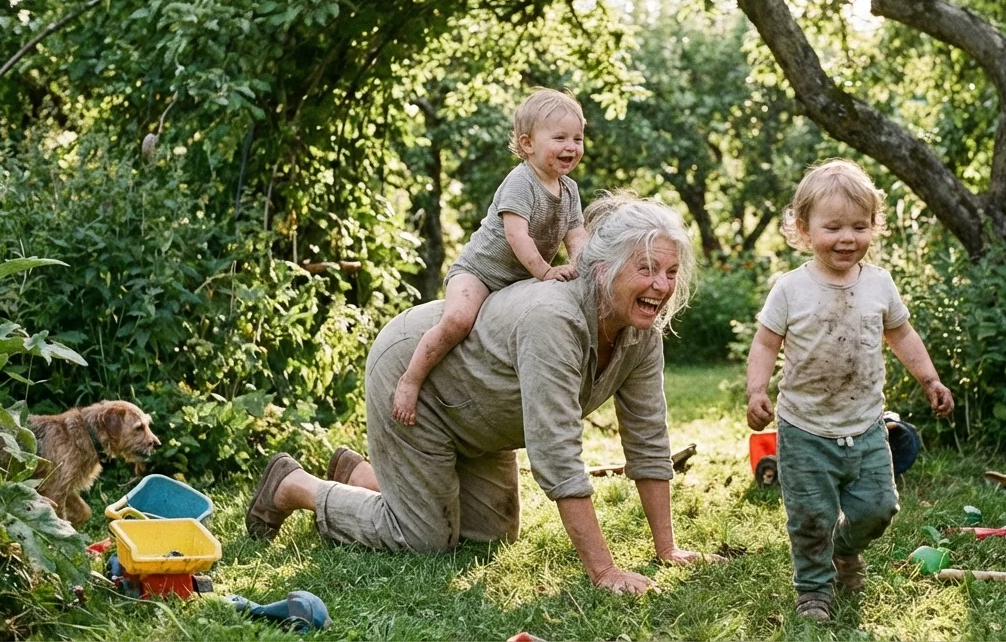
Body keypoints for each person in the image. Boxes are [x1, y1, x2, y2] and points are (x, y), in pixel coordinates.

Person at [246, 193, 722, 594]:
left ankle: (363, 475)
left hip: (481, 419)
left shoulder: (642, 333)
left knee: (489, 540)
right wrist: (604, 571)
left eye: (671, 272)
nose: (661, 285)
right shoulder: (554, 319)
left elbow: (647, 438)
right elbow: (556, 452)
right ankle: (295, 486)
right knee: (423, 539)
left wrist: (668, 550)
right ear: (602, 268)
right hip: (417, 381)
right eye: (646, 269)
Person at [744, 159, 954, 622]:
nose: (847, 238)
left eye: (859, 226)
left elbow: (901, 335)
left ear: (874, 227)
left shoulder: (879, 284)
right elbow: (765, 341)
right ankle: (815, 591)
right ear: (803, 228)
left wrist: (930, 379)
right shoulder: (791, 288)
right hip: (804, 429)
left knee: (879, 507)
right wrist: (756, 389)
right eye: (833, 226)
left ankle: (845, 550)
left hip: (865, 424)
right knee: (811, 517)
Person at [392, 88, 589, 426]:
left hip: (521, 280)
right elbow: (517, 235)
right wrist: (545, 271)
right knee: (458, 321)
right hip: (480, 273)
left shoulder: (569, 189)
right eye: (560, 138)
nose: (571, 147)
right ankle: (410, 379)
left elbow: (576, 233)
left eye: (578, 138)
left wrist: (583, 267)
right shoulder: (521, 182)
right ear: (528, 144)